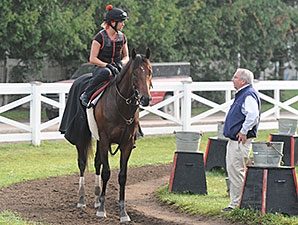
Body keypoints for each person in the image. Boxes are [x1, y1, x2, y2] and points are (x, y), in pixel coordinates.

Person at [221, 68, 261, 212]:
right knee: (233, 170)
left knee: (236, 171)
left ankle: (236, 205)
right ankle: (237, 202)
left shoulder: (248, 95)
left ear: (243, 81)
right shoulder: (243, 94)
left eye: (235, 77)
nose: (233, 79)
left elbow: (253, 115)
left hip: (239, 141)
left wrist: (243, 131)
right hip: (235, 141)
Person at [80, 4, 129, 107]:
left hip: (117, 67)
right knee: (106, 72)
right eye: (121, 22)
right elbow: (92, 59)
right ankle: (86, 94)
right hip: (101, 69)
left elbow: (126, 57)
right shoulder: (99, 37)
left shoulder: (123, 37)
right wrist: (107, 65)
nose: (123, 24)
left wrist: (121, 63)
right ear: (112, 22)